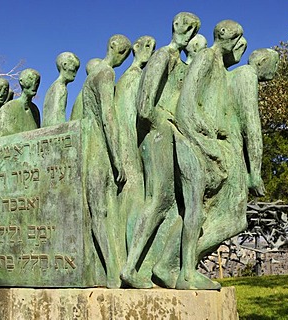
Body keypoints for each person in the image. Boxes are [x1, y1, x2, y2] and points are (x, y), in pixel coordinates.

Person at [121, 12, 201, 289]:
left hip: (170, 133)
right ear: (175, 26)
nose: (187, 31)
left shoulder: (179, 61)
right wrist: (163, 124)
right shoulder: (162, 57)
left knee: (169, 203)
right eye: (184, 25)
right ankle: (130, 268)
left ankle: (159, 266)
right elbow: (144, 106)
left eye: (192, 29)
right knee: (158, 200)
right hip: (157, 134)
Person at [174, 20, 244, 290]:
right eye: (237, 37)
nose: (239, 43)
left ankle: (184, 269)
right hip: (194, 143)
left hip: (207, 143)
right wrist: (206, 145)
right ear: (227, 36)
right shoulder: (205, 57)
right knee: (194, 210)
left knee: (211, 214)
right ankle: (185, 273)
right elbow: (186, 106)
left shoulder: (219, 65)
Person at [195, 48, 279, 264]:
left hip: (219, 148)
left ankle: (186, 260)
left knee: (217, 216)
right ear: (262, 62)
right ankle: (185, 259)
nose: (276, 69)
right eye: (275, 64)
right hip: (231, 153)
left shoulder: (231, 75)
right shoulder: (247, 76)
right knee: (236, 221)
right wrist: (255, 172)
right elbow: (251, 126)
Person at [82, 34, 130, 288]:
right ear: (115, 48)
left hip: (90, 145)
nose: (124, 58)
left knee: (100, 209)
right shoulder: (106, 74)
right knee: (99, 210)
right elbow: (107, 117)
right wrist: (117, 158)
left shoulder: (91, 75)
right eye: (125, 51)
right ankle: (111, 270)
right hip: (98, 147)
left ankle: (110, 267)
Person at [114, 35, 155, 262]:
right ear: (136, 48)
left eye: (152, 47)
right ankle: (131, 262)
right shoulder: (131, 78)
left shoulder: (131, 77)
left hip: (132, 146)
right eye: (146, 46)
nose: (149, 50)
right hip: (129, 148)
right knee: (135, 202)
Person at [0, 69, 41, 137]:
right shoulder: (8, 108)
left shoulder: (35, 110)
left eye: (37, 81)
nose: (35, 84)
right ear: (21, 82)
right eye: (30, 79)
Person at [43, 52, 80, 127]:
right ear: (64, 65)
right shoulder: (60, 87)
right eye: (74, 68)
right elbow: (57, 120)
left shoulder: (53, 87)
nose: (75, 73)